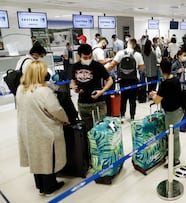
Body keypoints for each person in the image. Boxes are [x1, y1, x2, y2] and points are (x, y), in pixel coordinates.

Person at [16, 60, 69, 195]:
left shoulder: (20, 89)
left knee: (35, 156)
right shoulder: (43, 91)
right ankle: (50, 187)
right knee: (47, 158)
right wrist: (65, 120)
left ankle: (40, 186)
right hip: (45, 130)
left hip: (28, 129)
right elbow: (56, 110)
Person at [70, 44, 113, 131]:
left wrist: (102, 91)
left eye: (89, 57)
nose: (87, 59)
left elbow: (110, 80)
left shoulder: (97, 66)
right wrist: (74, 87)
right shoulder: (75, 67)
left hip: (98, 103)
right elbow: (73, 80)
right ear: (79, 56)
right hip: (83, 104)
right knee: (87, 130)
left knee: (101, 130)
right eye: (85, 58)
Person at [149, 57, 183, 168]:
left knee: (173, 135)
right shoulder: (175, 79)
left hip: (172, 112)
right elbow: (167, 94)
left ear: (161, 70)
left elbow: (157, 100)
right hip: (178, 110)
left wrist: (153, 95)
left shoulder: (165, 83)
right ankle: (173, 153)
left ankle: (175, 159)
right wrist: (157, 93)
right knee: (174, 134)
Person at [107, 38, 144, 122]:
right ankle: (132, 117)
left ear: (127, 44)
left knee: (123, 98)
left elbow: (112, 64)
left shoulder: (120, 53)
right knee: (133, 100)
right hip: (134, 79)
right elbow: (141, 68)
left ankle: (122, 115)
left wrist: (105, 72)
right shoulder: (138, 54)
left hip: (123, 79)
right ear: (134, 45)